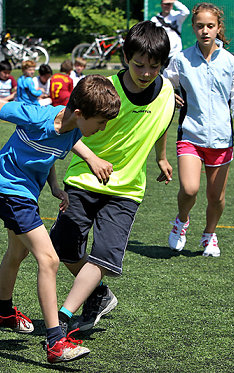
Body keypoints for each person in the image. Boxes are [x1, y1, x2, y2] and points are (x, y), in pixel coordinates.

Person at [0, 74, 121, 363]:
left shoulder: (74, 129)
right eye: (100, 122)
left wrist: (55, 186)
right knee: (49, 260)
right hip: (7, 190)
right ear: (81, 114)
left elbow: (51, 153)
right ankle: (56, 342)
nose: (102, 128)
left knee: (16, 252)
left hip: (23, 194)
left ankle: (2, 311)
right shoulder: (36, 115)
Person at [50, 21, 175, 333]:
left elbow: (161, 124)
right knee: (65, 248)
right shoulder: (99, 88)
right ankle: (99, 295)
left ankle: (65, 315)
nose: (146, 73)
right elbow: (63, 128)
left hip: (126, 190)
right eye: (139, 65)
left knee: (104, 256)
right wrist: (91, 158)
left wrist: (161, 157)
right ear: (124, 57)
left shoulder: (169, 92)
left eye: (154, 66)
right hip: (82, 178)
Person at [164, 2, 234, 257]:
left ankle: (209, 235)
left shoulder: (231, 63)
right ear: (193, 28)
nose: (205, 31)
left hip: (222, 139)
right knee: (189, 190)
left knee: (216, 197)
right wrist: (170, 95)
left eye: (210, 26)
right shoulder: (181, 60)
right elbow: (164, 83)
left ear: (218, 28)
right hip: (190, 134)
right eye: (200, 26)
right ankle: (182, 221)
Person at [151, 0, 190, 65]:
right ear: (161, 5)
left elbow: (186, 12)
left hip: (175, 53)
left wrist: (174, 1)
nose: (167, 6)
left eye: (169, 4)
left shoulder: (177, 16)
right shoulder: (155, 20)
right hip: (161, 53)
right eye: (165, 4)